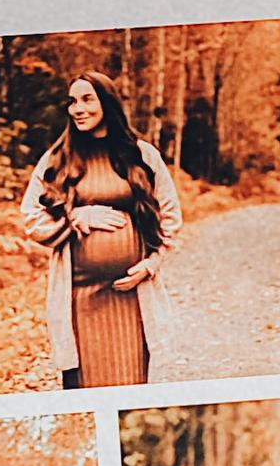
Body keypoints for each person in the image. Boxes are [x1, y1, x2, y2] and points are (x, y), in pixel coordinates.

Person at [19, 73, 186, 388]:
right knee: (84, 390)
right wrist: (74, 216)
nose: (77, 109)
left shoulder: (142, 155)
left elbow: (170, 214)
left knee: (131, 390)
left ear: (107, 103)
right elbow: (31, 216)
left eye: (87, 99)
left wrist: (152, 264)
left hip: (132, 295)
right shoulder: (57, 160)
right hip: (79, 298)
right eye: (72, 101)